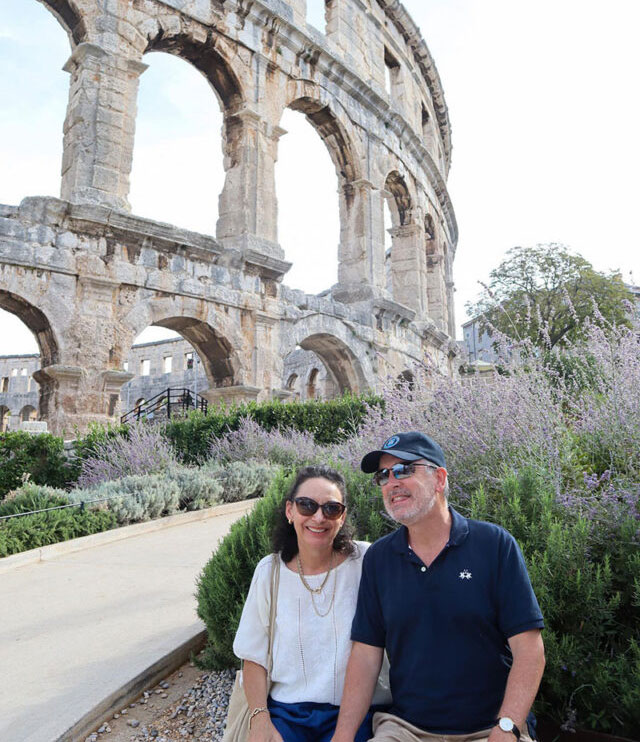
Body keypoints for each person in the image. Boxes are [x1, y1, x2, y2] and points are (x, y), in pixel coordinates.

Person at [331, 432, 545, 742]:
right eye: (384, 475)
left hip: (490, 727)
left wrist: (508, 727)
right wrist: (343, 736)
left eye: (404, 469)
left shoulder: (495, 546)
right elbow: (365, 654)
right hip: (407, 730)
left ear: (439, 479)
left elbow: (530, 652)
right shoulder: (379, 559)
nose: (392, 482)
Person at [233, 465, 376, 742]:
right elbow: (253, 656)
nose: (319, 517)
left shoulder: (366, 562)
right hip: (287, 714)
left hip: (356, 713)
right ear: (290, 511)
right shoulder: (270, 572)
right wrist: (260, 718)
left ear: (342, 517)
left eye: (331, 508)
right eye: (307, 505)